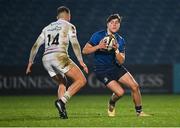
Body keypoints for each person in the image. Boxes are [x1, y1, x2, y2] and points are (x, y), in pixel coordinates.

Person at [26, 6, 88, 119]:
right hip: (59, 56)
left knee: (62, 82)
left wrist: (30, 62)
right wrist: (81, 61)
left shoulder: (47, 28)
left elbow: (35, 46)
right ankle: (62, 101)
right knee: (81, 80)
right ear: (69, 16)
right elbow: (75, 44)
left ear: (57, 17)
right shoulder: (69, 26)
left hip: (46, 59)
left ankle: (62, 112)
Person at [82, 14, 149, 117]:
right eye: (112, 22)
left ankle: (139, 112)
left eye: (117, 23)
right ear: (107, 24)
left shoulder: (120, 40)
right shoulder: (98, 35)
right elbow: (85, 51)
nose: (114, 25)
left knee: (135, 86)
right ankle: (111, 103)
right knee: (120, 93)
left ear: (119, 25)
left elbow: (121, 61)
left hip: (115, 67)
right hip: (101, 69)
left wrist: (116, 50)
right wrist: (98, 46)